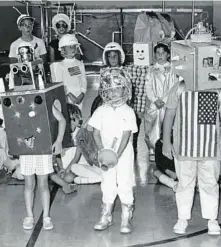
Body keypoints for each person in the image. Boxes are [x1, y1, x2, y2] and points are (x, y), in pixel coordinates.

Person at [162, 80, 221, 235]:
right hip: (183, 146)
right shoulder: (179, 88)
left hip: (211, 146)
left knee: (210, 182)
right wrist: (166, 141)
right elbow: (169, 114)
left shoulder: (218, 88)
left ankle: (212, 218)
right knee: (184, 183)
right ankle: (182, 218)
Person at [89, 67, 137, 233]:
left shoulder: (129, 111)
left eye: (118, 89)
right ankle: (106, 215)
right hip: (106, 155)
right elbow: (95, 133)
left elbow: (126, 136)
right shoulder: (101, 110)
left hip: (123, 154)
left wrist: (116, 154)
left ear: (125, 89)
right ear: (105, 92)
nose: (115, 93)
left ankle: (126, 216)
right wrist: (104, 152)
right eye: (111, 90)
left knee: (125, 182)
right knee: (107, 182)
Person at [20, 100, 66, 231]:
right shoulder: (19, 103)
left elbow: (62, 120)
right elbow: (14, 127)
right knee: (29, 184)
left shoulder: (45, 103)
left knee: (43, 184)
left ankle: (46, 216)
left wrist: (59, 141)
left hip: (43, 150)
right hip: (26, 151)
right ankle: (29, 216)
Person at [144, 42, 178, 160]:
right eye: (157, 53)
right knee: (151, 126)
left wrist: (164, 100)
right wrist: (154, 100)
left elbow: (174, 86)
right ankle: (152, 149)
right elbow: (148, 87)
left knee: (168, 125)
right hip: (154, 105)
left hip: (168, 103)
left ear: (168, 55)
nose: (160, 55)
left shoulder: (173, 69)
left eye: (163, 53)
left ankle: (167, 148)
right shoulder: (151, 70)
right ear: (154, 55)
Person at [50, 34, 87, 110]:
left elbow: (83, 80)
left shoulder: (80, 64)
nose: (73, 48)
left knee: (78, 116)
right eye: (70, 47)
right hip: (67, 97)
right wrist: (70, 95)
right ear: (63, 49)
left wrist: (82, 93)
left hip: (79, 96)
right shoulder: (60, 65)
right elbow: (59, 84)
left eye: (74, 46)